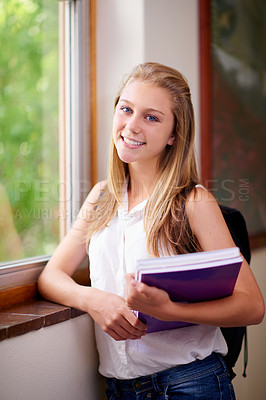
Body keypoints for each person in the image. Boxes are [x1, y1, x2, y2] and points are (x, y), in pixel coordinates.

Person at [38, 62, 264, 399]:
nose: (131, 126)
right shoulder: (101, 196)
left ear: (174, 134)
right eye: (126, 109)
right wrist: (94, 300)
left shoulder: (193, 201)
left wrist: (169, 311)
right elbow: (51, 275)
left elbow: (252, 306)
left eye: (151, 117)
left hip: (190, 384)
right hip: (119, 388)